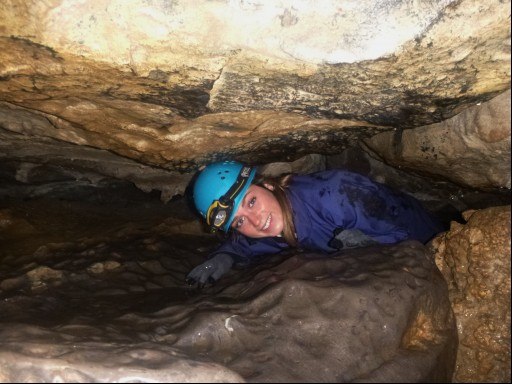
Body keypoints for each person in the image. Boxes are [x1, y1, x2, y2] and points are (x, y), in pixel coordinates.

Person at [185, 160, 445, 287]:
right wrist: (223, 258)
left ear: (266, 184)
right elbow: (240, 246)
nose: (255, 221)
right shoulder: (268, 230)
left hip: (429, 229)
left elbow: (411, 230)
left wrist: (375, 247)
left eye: (251, 201)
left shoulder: (338, 195)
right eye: (239, 221)